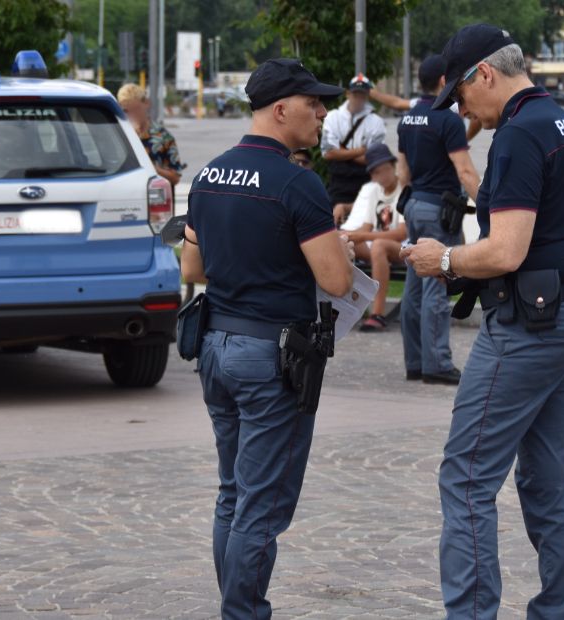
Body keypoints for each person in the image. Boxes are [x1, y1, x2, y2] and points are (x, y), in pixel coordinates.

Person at [400, 25, 564, 618]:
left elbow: (506, 251)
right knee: (548, 481)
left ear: (484, 73)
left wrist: (442, 259)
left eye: (461, 97)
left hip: (528, 327)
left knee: (465, 478)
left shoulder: (517, 135)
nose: (463, 111)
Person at [179, 58, 354, 619]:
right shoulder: (297, 182)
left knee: (233, 492)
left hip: (216, 346)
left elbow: (193, 267)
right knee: (260, 505)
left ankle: (236, 607)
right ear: (282, 109)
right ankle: (244, 613)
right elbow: (336, 282)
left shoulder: (208, 175)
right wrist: (335, 253)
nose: (323, 112)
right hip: (270, 359)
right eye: (314, 102)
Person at [396, 54, 481, 384]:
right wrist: (487, 206)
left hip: (415, 203)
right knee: (436, 283)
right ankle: (438, 364)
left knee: (414, 287)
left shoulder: (409, 119)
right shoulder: (447, 120)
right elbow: (464, 169)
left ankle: (415, 362)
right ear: (445, 82)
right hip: (439, 210)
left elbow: (403, 169)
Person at [341, 143, 407, 331]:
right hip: (377, 247)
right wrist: (350, 235)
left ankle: (377, 313)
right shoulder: (375, 192)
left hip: (401, 248)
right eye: (376, 172)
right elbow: (366, 226)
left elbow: (402, 233)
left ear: (393, 166)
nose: (382, 176)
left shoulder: (403, 189)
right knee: (343, 240)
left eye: (385, 169)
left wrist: (361, 235)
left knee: (378, 244)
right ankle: (343, 306)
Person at [322, 73, 386, 222]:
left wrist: (341, 152)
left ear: (367, 95)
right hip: (338, 184)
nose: (359, 99)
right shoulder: (332, 117)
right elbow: (328, 153)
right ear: (348, 93)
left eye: (362, 95)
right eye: (355, 94)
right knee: (336, 225)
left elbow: (373, 160)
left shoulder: (376, 122)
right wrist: (360, 151)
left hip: (365, 182)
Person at [116, 83, 183, 187]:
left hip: (156, 198)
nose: (132, 115)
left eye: (136, 109)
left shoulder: (164, 137)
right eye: (126, 111)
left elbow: (175, 177)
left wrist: (153, 169)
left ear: (146, 103)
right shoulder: (117, 135)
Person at [371, 84, 484, 141]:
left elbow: (397, 103)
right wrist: (465, 139)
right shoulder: (451, 105)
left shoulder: (421, 103)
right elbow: (477, 117)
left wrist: (374, 94)